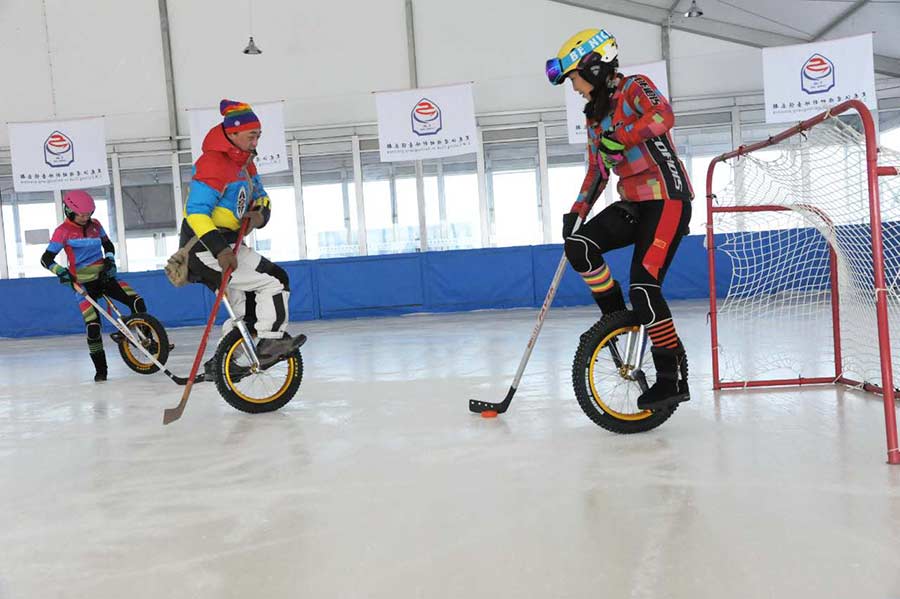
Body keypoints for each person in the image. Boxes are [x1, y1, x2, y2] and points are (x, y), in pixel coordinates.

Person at [546, 29, 694, 410]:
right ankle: (616, 320)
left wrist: (623, 135)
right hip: (633, 202)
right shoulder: (594, 117)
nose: (575, 87)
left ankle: (669, 378)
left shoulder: (635, 88)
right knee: (580, 247)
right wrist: (576, 212)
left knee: (644, 287)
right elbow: (598, 171)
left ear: (593, 67)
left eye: (575, 77)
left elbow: (664, 116)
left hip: (667, 198)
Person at [180, 99, 305, 376]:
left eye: (258, 135)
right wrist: (220, 250)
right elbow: (196, 213)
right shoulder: (212, 163)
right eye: (252, 135)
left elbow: (262, 197)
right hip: (205, 248)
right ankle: (272, 341)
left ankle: (225, 363)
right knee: (276, 280)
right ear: (233, 133)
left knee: (248, 308)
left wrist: (259, 215)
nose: (256, 140)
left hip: (229, 246)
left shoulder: (245, 164)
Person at [41, 190, 148, 382]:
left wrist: (110, 260)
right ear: (69, 210)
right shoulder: (62, 231)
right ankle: (101, 371)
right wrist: (62, 272)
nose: (86, 217)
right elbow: (46, 259)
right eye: (82, 214)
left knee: (137, 302)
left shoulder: (96, 225)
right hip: (82, 284)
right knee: (93, 327)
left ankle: (149, 343)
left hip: (104, 277)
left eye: (88, 213)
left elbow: (108, 245)